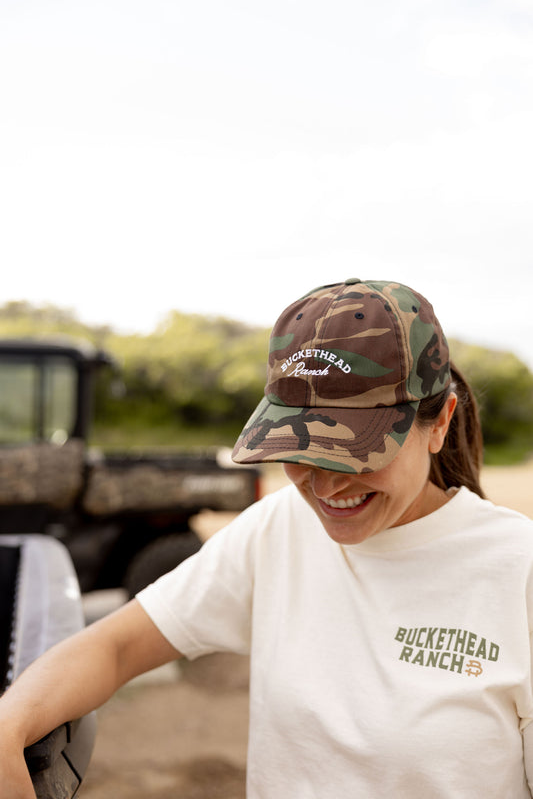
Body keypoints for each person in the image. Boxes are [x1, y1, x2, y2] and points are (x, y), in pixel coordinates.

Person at [1, 277, 533, 798]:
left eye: (356, 451)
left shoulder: (517, 569)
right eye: (298, 450)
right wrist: (8, 727)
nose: (324, 485)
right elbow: (115, 647)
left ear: (439, 422)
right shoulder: (278, 529)